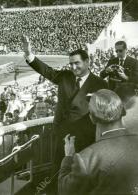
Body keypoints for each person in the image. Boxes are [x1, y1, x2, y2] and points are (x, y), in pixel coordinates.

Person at [22, 35, 108, 194]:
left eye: (77, 63)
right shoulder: (65, 77)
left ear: (87, 62)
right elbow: (46, 71)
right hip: (62, 134)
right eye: (71, 64)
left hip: (85, 138)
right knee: (58, 170)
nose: (74, 67)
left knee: (81, 176)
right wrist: (29, 54)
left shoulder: (100, 84)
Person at [59, 89, 138, 195]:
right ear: (123, 112)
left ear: (92, 118)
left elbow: (65, 191)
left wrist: (68, 157)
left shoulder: (85, 159)